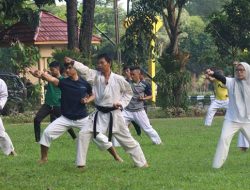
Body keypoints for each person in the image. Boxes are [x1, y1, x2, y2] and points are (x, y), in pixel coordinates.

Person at [64, 54, 148, 169]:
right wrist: (73, 62)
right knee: (83, 133)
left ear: (109, 63)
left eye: (102, 63)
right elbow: (85, 70)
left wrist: (121, 103)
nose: (99, 65)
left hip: (115, 115)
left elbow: (128, 92)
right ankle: (80, 164)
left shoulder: (119, 79)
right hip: (99, 114)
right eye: (98, 63)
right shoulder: (95, 76)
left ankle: (142, 163)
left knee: (127, 140)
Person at [32, 62, 122, 165]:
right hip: (65, 118)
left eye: (70, 68)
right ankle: (44, 158)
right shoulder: (64, 82)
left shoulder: (84, 83)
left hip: (83, 119)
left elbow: (93, 94)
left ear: (76, 70)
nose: (67, 70)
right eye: (66, 68)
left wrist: (87, 100)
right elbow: (52, 79)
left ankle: (116, 157)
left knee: (100, 136)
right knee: (47, 133)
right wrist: (42, 74)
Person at [206, 62, 250, 169]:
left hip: (248, 121)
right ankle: (216, 166)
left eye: (242, 70)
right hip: (231, 120)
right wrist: (212, 73)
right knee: (223, 139)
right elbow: (222, 77)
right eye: (237, 70)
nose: (239, 72)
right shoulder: (231, 82)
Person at [28, 61, 76, 142]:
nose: (51, 71)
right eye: (50, 70)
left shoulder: (63, 80)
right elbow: (38, 75)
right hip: (47, 105)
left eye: (52, 70)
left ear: (57, 69)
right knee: (37, 119)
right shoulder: (49, 77)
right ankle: (37, 140)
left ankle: (75, 137)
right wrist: (30, 71)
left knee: (66, 123)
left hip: (58, 105)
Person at [123, 66, 162, 145]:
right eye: (130, 74)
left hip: (139, 111)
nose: (131, 76)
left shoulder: (145, 84)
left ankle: (158, 142)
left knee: (147, 128)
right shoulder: (126, 82)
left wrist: (144, 98)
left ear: (139, 74)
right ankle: (118, 144)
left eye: (133, 74)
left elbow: (151, 95)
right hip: (127, 111)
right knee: (119, 127)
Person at [0, 78, 16, 156]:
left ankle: (10, 151)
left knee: (0, 132)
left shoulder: (0, 82)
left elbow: (3, 95)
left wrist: (0, 105)